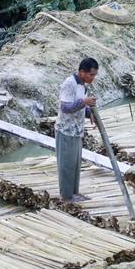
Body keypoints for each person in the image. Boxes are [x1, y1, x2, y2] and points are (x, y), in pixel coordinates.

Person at [56, 57, 99, 202]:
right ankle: (66, 196)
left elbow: (79, 107)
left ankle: (74, 192)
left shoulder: (83, 86)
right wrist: (84, 102)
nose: (93, 78)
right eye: (91, 74)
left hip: (77, 130)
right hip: (66, 130)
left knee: (75, 164)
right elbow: (65, 107)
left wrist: (89, 113)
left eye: (94, 75)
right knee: (66, 164)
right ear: (82, 72)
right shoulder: (70, 84)